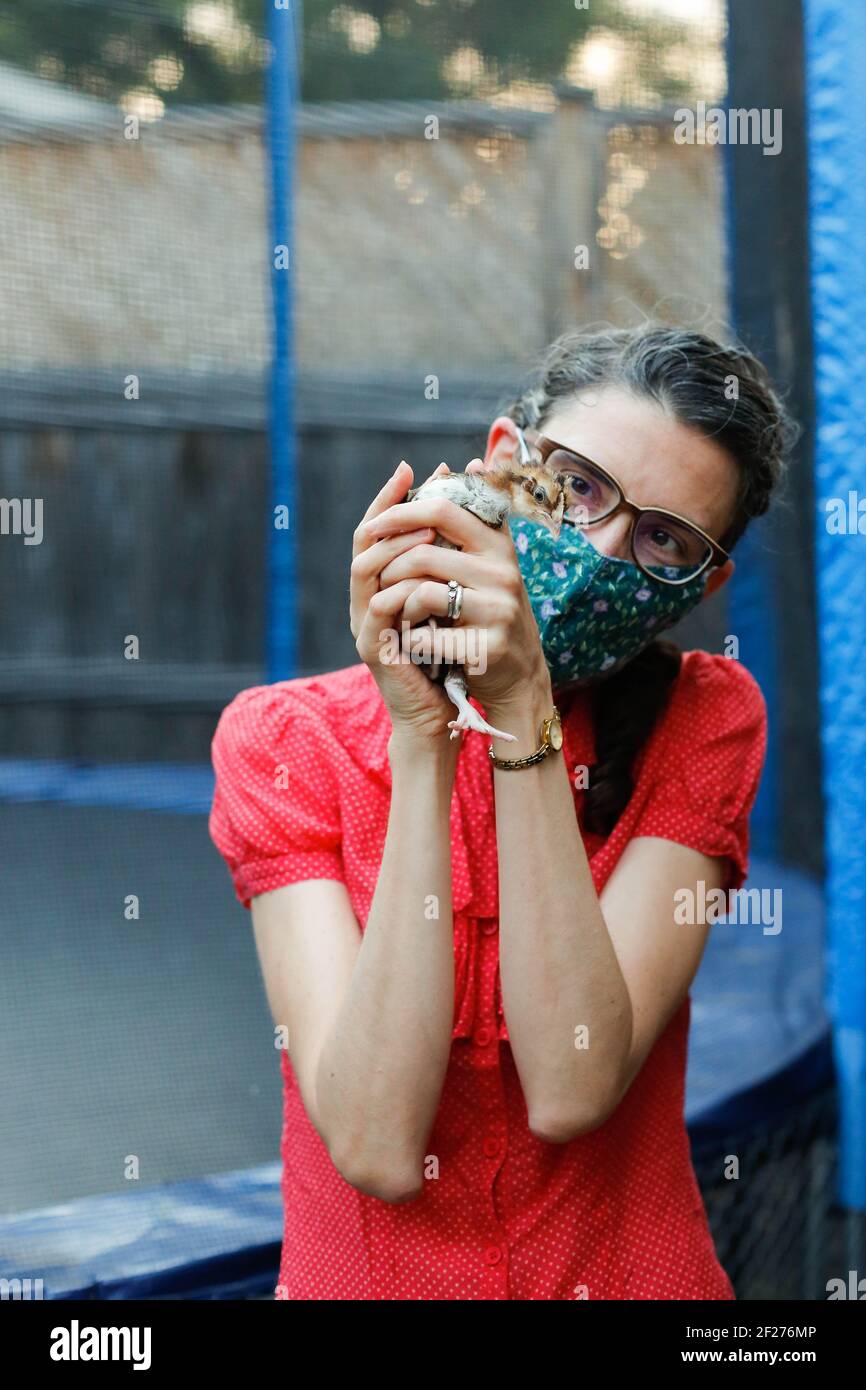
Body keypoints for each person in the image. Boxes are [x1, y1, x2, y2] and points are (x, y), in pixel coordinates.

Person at [209, 324, 796, 1300]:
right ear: (500, 465)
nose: (602, 548)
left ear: (704, 583)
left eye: (660, 539)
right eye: (575, 485)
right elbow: (373, 1142)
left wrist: (522, 713)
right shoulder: (284, 741)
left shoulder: (704, 718)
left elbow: (572, 1086)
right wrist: (422, 733)